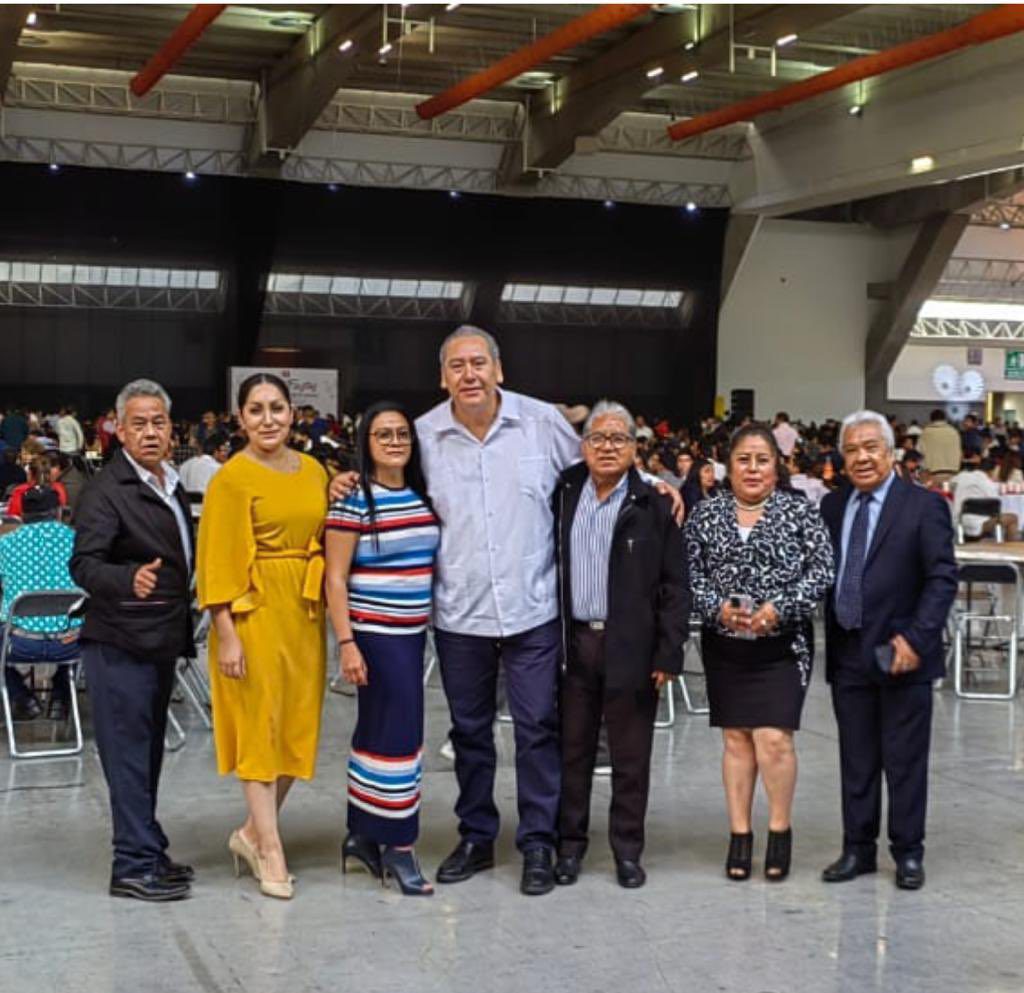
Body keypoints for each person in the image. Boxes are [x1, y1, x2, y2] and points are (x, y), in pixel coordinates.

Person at [197, 373, 328, 901]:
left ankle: (251, 833)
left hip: (304, 612)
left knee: (296, 727)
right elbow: (215, 561)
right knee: (258, 729)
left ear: (293, 413)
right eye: (256, 409)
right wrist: (226, 633)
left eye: (277, 407)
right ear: (241, 418)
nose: (268, 419)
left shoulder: (315, 470)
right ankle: (271, 850)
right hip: (252, 613)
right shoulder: (231, 479)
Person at [685, 424, 834, 882]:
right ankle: (739, 835)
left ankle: (779, 831)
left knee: (773, 739)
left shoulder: (800, 511)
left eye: (762, 460)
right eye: (743, 460)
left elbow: (822, 569)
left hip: (782, 646)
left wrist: (779, 607)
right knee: (736, 739)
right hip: (725, 645)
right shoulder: (706, 514)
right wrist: (717, 608)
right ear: (727, 466)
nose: (752, 469)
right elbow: (689, 572)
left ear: (777, 466)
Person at [553, 401, 689, 889]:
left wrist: (669, 651)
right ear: (583, 445)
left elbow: (675, 585)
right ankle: (569, 847)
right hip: (574, 644)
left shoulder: (654, 504)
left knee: (630, 759)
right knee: (573, 752)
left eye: (618, 439)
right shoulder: (563, 491)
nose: (607, 447)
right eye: (597, 438)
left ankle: (627, 851)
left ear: (635, 448)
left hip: (631, 647)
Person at [820, 411, 957, 891]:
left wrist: (917, 638)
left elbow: (942, 578)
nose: (861, 457)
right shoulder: (833, 506)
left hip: (903, 654)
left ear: (891, 452)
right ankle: (857, 849)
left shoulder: (923, 506)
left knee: (904, 761)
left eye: (870, 447)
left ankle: (908, 852)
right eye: (852, 450)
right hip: (848, 651)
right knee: (856, 760)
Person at [70, 379, 195, 902]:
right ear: (119, 431)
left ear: (171, 429)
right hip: (119, 639)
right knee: (126, 757)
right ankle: (131, 865)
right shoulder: (106, 490)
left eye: (158, 422)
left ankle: (149, 849)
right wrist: (127, 579)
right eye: (138, 423)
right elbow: (84, 564)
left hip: (159, 637)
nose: (150, 432)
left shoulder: (170, 481)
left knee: (146, 756)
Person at [325, 401, 440, 896]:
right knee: (401, 736)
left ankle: (363, 833)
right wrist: (347, 643)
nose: (395, 442)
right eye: (383, 434)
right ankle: (399, 845)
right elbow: (334, 577)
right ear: (366, 443)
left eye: (402, 434)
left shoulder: (420, 495)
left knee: (376, 732)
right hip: (375, 635)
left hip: (412, 635)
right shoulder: (353, 500)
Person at [0, 485, 80, 721]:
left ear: (22, 515)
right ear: (59, 512)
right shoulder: (78, 542)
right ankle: (61, 694)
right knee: (87, 623)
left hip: (18, 644)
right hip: (72, 644)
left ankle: (21, 696)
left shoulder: (5, 545)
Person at [951, 458, 1019, 540]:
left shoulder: (960, 477)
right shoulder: (986, 482)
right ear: (992, 471)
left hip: (959, 520)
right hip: (979, 523)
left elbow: (950, 487)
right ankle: (1009, 546)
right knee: (1013, 518)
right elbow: (995, 502)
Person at [6, 453, 68, 518]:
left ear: (30, 473)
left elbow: (13, 517)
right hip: (53, 523)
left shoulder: (20, 490)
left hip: (27, 523)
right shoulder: (59, 488)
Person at [918, 409, 962, 483]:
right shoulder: (954, 432)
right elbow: (959, 452)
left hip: (933, 474)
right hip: (953, 473)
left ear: (931, 419)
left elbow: (919, 452)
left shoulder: (926, 432)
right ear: (945, 419)